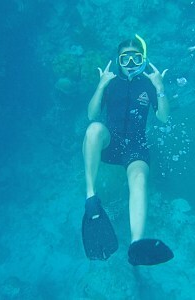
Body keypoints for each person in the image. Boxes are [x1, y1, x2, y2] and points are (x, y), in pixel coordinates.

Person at [81, 34, 174, 266]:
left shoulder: (149, 84)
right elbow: (92, 114)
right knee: (93, 129)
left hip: (136, 147)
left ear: (143, 59)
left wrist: (160, 88)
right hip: (110, 143)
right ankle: (90, 196)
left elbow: (163, 118)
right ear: (118, 60)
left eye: (136, 59)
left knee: (139, 179)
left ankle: (137, 245)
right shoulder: (110, 81)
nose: (130, 64)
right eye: (125, 59)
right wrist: (101, 85)